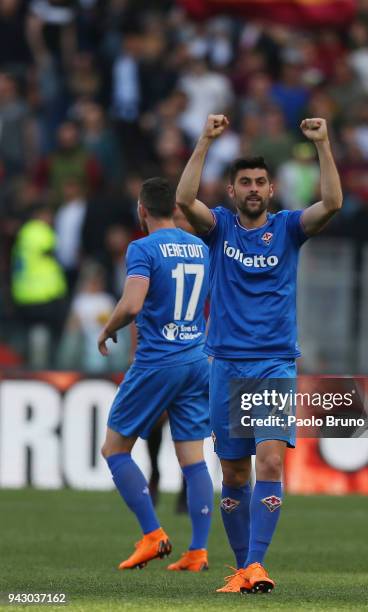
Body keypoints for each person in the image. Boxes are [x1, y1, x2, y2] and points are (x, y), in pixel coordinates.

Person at [176, 115, 343, 593]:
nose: (253, 189)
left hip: (273, 364)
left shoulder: (290, 228)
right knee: (233, 472)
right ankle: (243, 569)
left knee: (269, 462)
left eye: (260, 182)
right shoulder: (221, 229)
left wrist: (323, 144)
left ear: (272, 190)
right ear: (233, 191)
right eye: (245, 182)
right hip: (225, 364)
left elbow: (332, 202)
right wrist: (205, 140)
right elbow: (185, 200)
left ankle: (256, 565)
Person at [98, 177, 213, 572]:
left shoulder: (142, 247)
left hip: (158, 359)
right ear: (175, 209)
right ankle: (198, 551)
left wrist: (107, 327)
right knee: (193, 458)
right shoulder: (199, 247)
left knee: (114, 449)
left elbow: (131, 305)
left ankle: (153, 535)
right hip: (197, 360)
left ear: (142, 209)